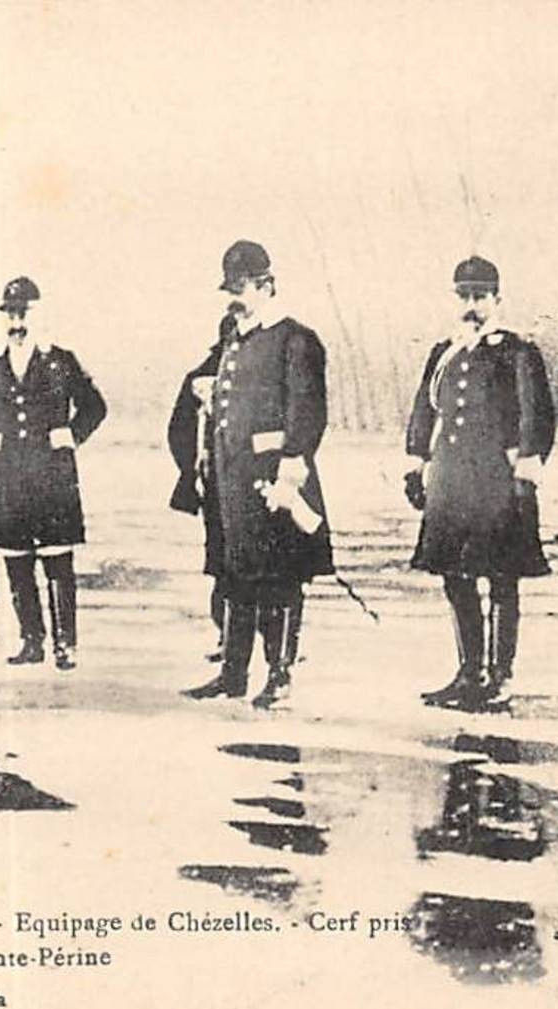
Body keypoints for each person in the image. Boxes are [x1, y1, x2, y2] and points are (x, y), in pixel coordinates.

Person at [182, 240, 333, 709]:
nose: (235, 296)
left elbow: (307, 410)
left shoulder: (295, 339)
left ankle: (279, 676)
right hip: (232, 479)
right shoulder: (234, 337)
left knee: (280, 576)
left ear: (268, 286)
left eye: (242, 287)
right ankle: (233, 675)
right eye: (230, 287)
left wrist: (293, 463)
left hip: (274, 477)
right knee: (237, 573)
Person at [404, 255, 556, 710]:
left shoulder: (517, 351)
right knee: (455, 576)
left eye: (480, 296)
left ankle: (500, 676)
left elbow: (537, 416)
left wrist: (526, 474)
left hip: (496, 480)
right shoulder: (444, 353)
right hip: (451, 479)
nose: (471, 306)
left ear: (497, 299)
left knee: (502, 577)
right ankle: (469, 672)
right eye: (464, 296)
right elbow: (423, 410)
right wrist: (416, 465)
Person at [0, 276, 106, 670]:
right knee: (17, 561)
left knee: (56, 561)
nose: (17, 323)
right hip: (9, 479)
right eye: (10, 315)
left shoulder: (61, 361)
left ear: (40, 315)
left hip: (52, 477)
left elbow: (95, 407)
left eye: (24, 314)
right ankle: (31, 640)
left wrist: (72, 434)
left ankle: (65, 645)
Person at [167, 314, 236, 661]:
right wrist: (191, 468)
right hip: (216, 483)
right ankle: (230, 637)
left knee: (236, 560)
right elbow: (178, 430)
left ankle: (252, 639)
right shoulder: (201, 378)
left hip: (240, 481)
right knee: (226, 560)